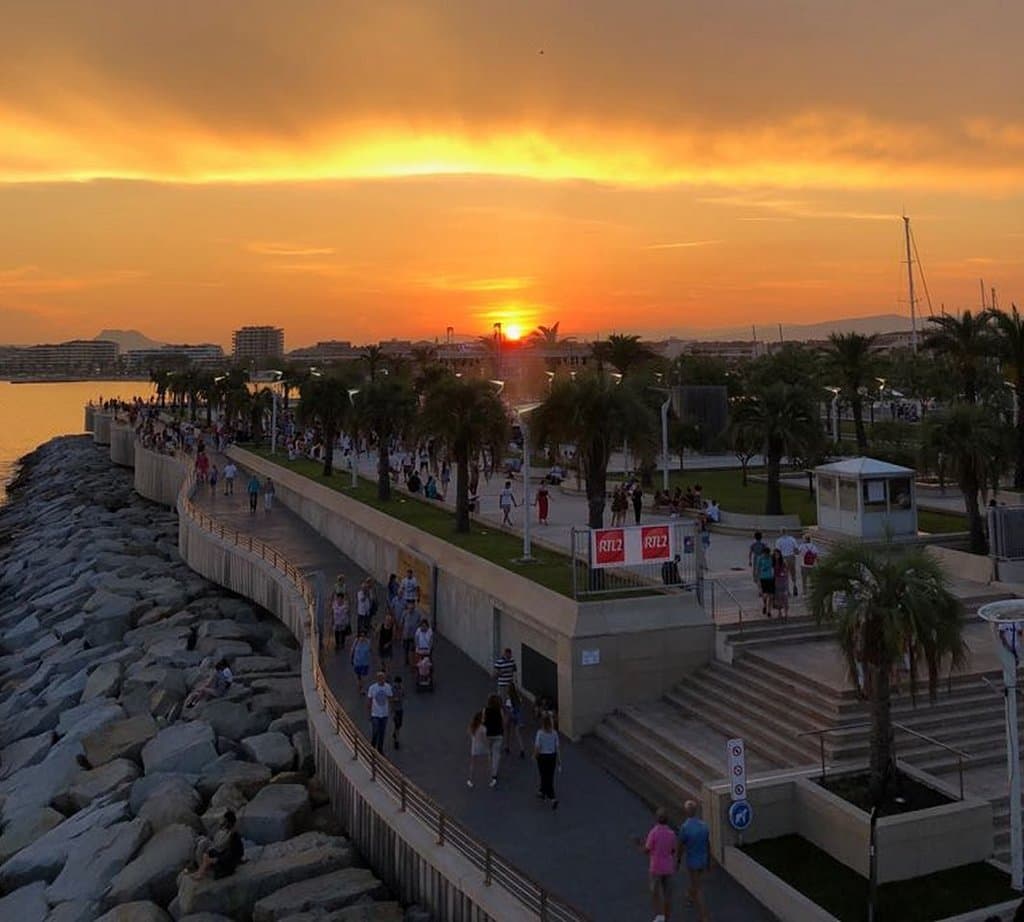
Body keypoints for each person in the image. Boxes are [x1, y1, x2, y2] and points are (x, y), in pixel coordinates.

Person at [639, 807, 677, 922]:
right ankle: (667, 918)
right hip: (668, 868)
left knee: (655, 892)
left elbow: (647, 850)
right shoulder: (671, 833)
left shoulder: (654, 832)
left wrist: (638, 845)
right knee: (667, 895)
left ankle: (659, 916)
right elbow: (672, 850)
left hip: (656, 867)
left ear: (656, 819)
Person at [677, 800, 711, 922]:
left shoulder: (685, 828)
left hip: (693, 861)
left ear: (686, 812)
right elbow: (708, 844)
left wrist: (678, 861)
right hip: (703, 859)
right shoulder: (704, 825)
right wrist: (709, 861)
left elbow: (680, 846)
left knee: (698, 888)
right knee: (696, 882)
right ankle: (689, 896)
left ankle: (704, 917)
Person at [191, 809, 243, 880]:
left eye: (225, 821)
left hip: (229, 865)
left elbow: (232, 855)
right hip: (225, 858)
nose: (224, 823)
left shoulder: (233, 835)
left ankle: (200, 873)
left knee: (207, 857)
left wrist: (216, 860)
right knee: (207, 853)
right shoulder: (229, 832)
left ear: (229, 822)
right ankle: (200, 872)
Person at [534, 713, 560, 809]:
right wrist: (559, 760)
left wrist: (535, 756)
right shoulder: (554, 733)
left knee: (544, 775)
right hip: (552, 757)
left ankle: (552, 798)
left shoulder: (540, 733)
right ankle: (542, 791)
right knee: (550, 775)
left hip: (542, 757)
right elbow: (557, 748)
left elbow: (537, 746)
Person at [366, 670, 393, 753]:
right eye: (380, 678)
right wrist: (369, 713)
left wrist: (391, 710)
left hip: (384, 714)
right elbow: (369, 701)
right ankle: (373, 745)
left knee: (382, 732)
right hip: (375, 714)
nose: (382, 680)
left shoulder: (388, 687)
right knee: (376, 731)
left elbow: (390, 698)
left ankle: (380, 748)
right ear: (377, 679)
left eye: (383, 678)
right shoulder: (372, 688)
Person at [483, 693, 504, 787]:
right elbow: (503, 721)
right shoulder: (499, 710)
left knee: (489, 752)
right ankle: (494, 774)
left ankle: (489, 769)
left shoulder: (485, 710)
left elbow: (483, 721)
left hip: (488, 734)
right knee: (496, 754)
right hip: (498, 734)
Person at [467, 711, 489, 787]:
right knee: (487, 761)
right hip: (482, 748)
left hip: (474, 748)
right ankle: (490, 777)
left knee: (473, 764)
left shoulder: (473, 727)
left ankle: (470, 779)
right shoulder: (483, 729)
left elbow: (471, 735)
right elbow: (485, 740)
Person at [503, 682, 525, 757]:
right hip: (518, 717)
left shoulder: (509, 698)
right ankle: (522, 749)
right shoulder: (518, 697)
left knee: (507, 731)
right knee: (518, 733)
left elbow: (508, 709)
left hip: (511, 716)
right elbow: (521, 705)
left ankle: (507, 746)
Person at [774, 528, 799, 596]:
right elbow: (796, 549)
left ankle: (788, 590)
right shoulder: (792, 539)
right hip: (791, 557)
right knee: (793, 573)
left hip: (783, 558)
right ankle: (794, 585)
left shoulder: (779, 541)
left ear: (781, 532)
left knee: (785, 574)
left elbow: (777, 552)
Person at [756, 544, 775, 616]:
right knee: (765, 594)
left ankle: (769, 610)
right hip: (763, 578)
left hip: (770, 577)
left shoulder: (771, 558)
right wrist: (757, 579)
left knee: (771, 595)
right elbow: (758, 569)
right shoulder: (760, 558)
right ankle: (764, 604)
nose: (766, 555)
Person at [772, 548, 790, 619]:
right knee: (778, 597)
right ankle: (779, 612)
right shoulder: (772, 562)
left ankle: (786, 613)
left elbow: (787, 570)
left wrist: (784, 574)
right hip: (776, 580)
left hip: (783, 580)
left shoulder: (783, 562)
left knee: (785, 597)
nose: (776, 556)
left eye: (778, 554)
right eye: (775, 555)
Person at [391, 675, 405, 749]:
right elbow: (389, 698)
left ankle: (395, 733)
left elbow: (403, 695)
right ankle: (396, 741)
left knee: (399, 725)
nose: (398, 685)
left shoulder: (402, 688)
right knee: (397, 724)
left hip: (400, 709)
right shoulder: (392, 689)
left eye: (399, 683)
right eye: (397, 683)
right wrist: (394, 699)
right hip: (395, 710)